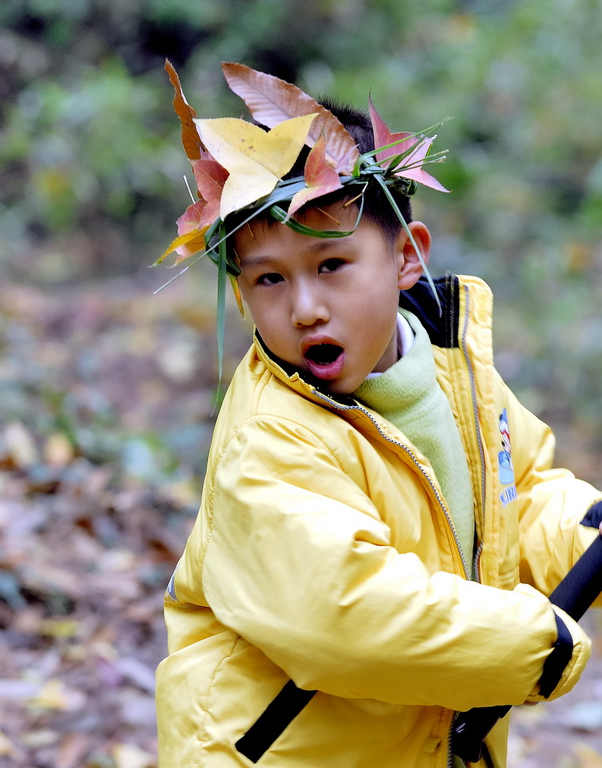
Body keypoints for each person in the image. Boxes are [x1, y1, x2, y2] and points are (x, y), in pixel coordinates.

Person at [155, 61, 602, 768]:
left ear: (405, 258)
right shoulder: (270, 438)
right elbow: (344, 614)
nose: (305, 308)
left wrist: (587, 532)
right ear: (240, 295)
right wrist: (536, 645)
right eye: (269, 278)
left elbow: (518, 494)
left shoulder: (452, 372)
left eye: (331, 265)